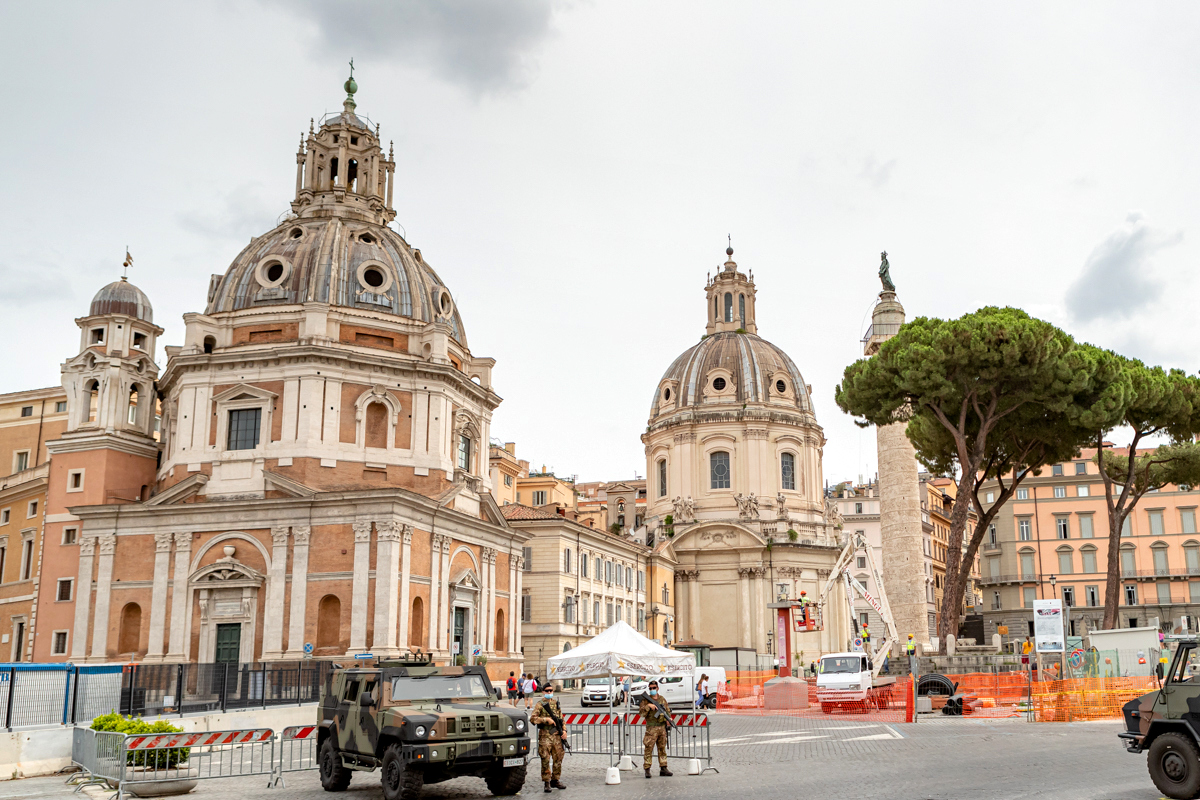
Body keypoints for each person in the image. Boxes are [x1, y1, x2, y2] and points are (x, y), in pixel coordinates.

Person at [529, 682, 568, 793]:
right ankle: (547, 782)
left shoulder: (556, 703)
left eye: (551, 690)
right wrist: (546, 720)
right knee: (545, 759)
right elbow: (533, 719)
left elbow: (561, 719)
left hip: (557, 736)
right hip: (545, 736)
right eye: (547, 691)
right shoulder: (540, 704)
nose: (549, 692)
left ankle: (555, 780)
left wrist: (564, 731)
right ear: (543, 692)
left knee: (558, 758)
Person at [639, 680, 672, 778]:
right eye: (650, 688)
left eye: (654, 688)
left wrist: (669, 719)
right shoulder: (646, 700)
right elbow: (641, 713)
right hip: (651, 728)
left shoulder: (662, 699)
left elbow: (667, 711)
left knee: (662, 748)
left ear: (657, 688)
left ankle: (663, 768)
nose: (652, 690)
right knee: (648, 748)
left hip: (661, 727)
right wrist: (648, 706)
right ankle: (647, 769)